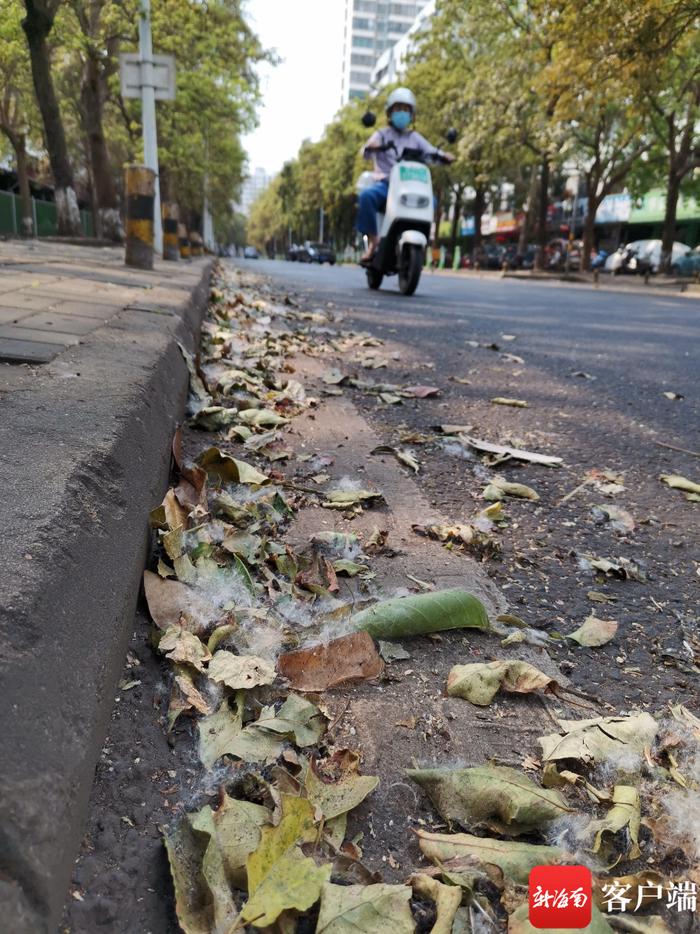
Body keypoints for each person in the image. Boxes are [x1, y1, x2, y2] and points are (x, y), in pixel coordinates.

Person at [357, 87, 454, 263]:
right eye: (398, 109)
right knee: (366, 197)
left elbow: (432, 152)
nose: (402, 113)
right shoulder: (381, 134)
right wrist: (374, 147)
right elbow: (365, 151)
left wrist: (444, 156)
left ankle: (421, 239)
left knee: (432, 202)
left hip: (409, 186)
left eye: (406, 109)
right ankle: (374, 242)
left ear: (412, 114)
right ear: (390, 113)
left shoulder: (415, 137)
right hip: (386, 185)